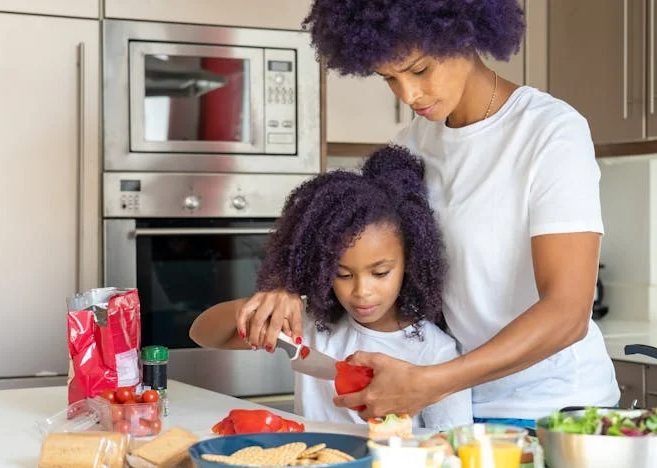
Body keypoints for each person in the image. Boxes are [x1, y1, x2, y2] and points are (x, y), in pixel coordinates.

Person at [232, 0, 621, 429]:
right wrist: (285, 284)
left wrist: (432, 381)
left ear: (465, 34)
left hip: (555, 409)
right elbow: (345, 227)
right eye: (389, 79)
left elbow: (567, 313)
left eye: (419, 70)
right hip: (459, 405)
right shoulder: (413, 143)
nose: (408, 95)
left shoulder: (548, 132)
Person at [189, 145, 474, 431]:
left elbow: (453, 443)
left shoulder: (436, 353)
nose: (362, 290)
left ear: (410, 262)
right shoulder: (310, 324)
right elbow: (203, 335)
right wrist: (249, 308)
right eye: (343, 274)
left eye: (380, 273)